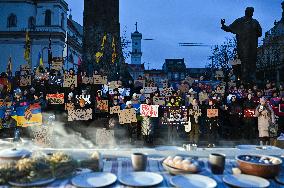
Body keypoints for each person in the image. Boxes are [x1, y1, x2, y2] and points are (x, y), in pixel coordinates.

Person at [221, 7, 262, 83]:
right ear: (245, 12)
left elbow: (260, 33)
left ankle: (252, 76)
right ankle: (243, 77)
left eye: (251, 12)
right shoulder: (239, 21)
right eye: (248, 11)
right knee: (243, 60)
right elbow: (229, 28)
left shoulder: (255, 22)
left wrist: (253, 33)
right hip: (242, 46)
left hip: (252, 45)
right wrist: (223, 25)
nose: (250, 13)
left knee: (252, 60)